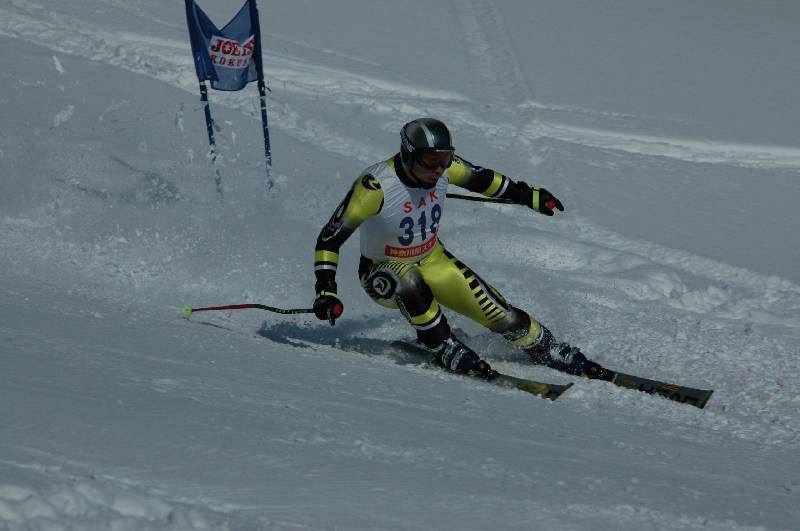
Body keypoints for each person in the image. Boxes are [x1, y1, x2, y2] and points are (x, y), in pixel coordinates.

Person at [312, 118, 603, 381]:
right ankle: (441, 345)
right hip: (381, 272)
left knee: (499, 312)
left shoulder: (444, 169)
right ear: (408, 154)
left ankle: (545, 347)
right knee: (409, 281)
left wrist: (529, 195)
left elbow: (483, 180)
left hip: (432, 258)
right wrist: (326, 290)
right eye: (430, 161)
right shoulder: (375, 186)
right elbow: (329, 239)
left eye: (445, 159)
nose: (439, 169)